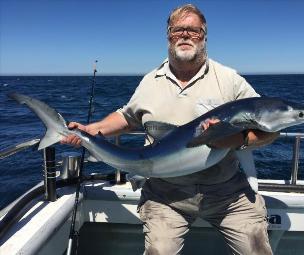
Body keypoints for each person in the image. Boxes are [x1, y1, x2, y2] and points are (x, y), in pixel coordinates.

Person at [62, 4, 277, 255]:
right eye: (178, 30)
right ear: (168, 35)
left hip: (226, 191)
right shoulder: (150, 81)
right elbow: (127, 117)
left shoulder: (230, 80)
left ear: (204, 36)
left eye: (193, 31)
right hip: (165, 193)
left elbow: (269, 128)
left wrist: (238, 138)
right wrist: (90, 130)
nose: (185, 35)